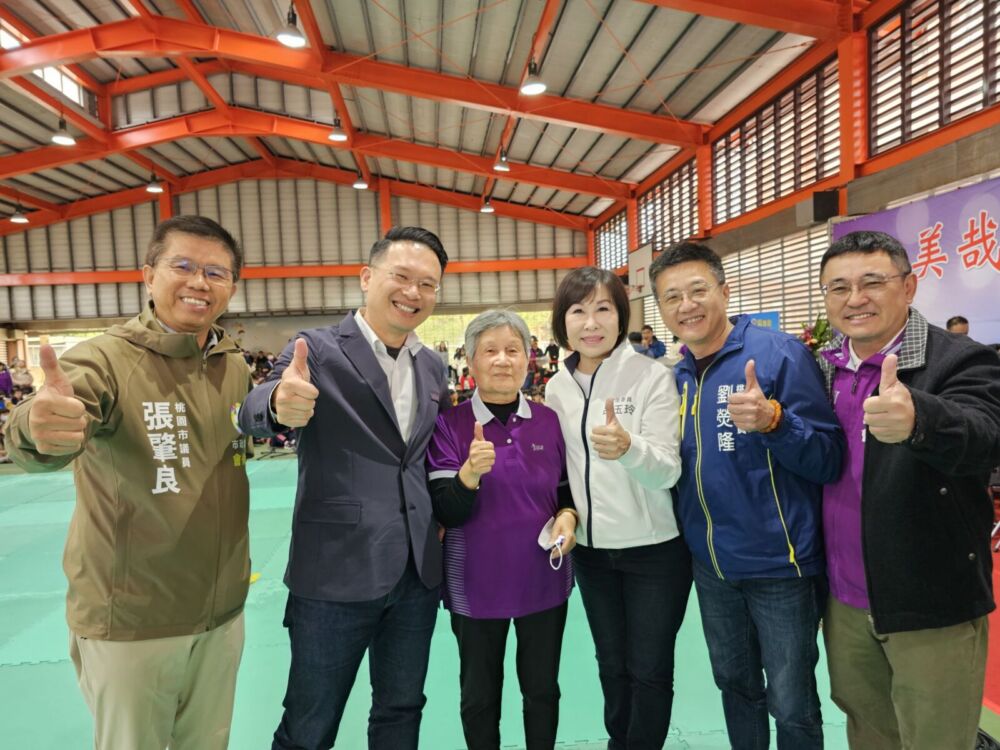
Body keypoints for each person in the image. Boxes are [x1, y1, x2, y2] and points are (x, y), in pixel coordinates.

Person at [4, 215, 251, 750]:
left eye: (216, 272)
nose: (199, 282)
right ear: (148, 275)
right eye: (182, 266)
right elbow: (54, 416)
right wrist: (36, 428)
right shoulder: (105, 358)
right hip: (134, 618)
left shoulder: (232, 365)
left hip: (220, 612)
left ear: (232, 287)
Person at [238, 226, 451, 750]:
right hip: (335, 571)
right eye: (402, 277)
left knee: (401, 711)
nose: (414, 292)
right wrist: (277, 405)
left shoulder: (432, 365)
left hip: (416, 572)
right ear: (367, 277)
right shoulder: (317, 349)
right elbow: (257, 405)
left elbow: (428, 455)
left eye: (428, 284)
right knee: (310, 722)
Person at [649, 241, 844, 750]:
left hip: (780, 567)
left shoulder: (778, 355)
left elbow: (828, 457)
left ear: (724, 291)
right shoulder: (678, 376)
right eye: (672, 297)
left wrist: (776, 421)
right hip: (712, 567)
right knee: (735, 686)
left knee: (792, 702)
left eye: (697, 290)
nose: (687, 306)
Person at [816, 230, 1000, 750]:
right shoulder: (824, 368)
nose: (855, 298)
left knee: (937, 739)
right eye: (839, 287)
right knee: (870, 734)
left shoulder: (961, 360)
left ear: (909, 286)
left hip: (929, 600)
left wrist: (921, 418)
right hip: (844, 601)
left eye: (873, 282)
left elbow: (986, 435)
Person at [545, 267, 690, 750]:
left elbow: (668, 470)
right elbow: (561, 473)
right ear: (563, 322)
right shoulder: (557, 388)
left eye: (603, 309)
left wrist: (629, 448)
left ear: (621, 315)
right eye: (578, 311)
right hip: (591, 554)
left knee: (650, 669)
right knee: (611, 664)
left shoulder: (652, 377)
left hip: (654, 552)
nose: (591, 323)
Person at [428, 309, 576, 750]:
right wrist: (469, 473)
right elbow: (446, 510)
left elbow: (565, 490)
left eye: (513, 350)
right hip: (475, 585)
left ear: (528, 358)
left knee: (542, 690)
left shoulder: (548, 421)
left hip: (543, 579)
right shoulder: (449, 425)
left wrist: (569, 517)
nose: (502, 360)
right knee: (479, 697)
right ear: (470, 361)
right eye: (489, 350)